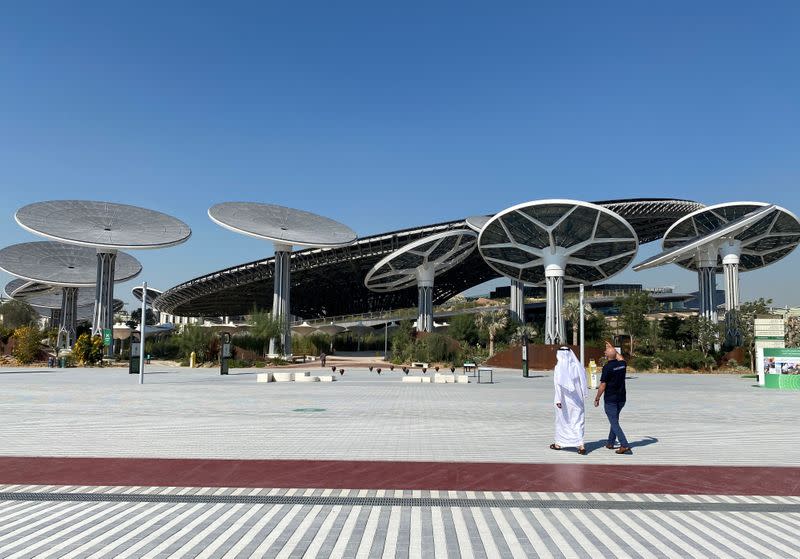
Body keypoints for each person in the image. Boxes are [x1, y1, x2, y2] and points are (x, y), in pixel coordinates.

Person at [594, 341, 631, 454]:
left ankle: (624, 444)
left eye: (606, 351)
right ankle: (610, 442)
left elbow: (603, 385)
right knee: (614, 419)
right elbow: (621, 358)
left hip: (611, 399)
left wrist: (597, 398)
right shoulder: (622, 365)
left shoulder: (607, 367)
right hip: (621, 399)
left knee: (614, 422)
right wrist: (612, 348)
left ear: (606, 356)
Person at [550, 347, 588, 455]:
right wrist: (584, 394)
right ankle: (580, 445)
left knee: (563, 421)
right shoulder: (577, 366)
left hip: (564, 400)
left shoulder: (559, 368)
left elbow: (557, 385)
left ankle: (559, 443)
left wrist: (558, 400)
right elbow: (583, 382)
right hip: (578, 400)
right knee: (578, 421)